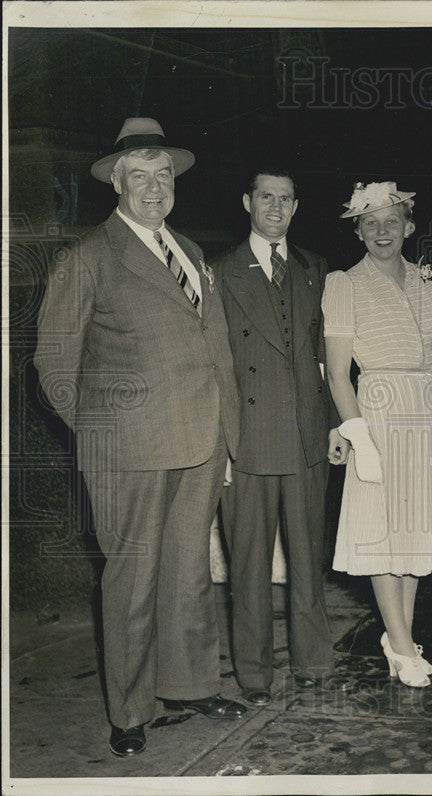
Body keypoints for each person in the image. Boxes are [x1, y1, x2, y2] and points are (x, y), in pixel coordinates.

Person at [33, 118, 246, 758]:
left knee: (189, 574)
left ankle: (188, 688)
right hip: (128, 450)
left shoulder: (191, 251)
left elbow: (215, 350)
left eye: (163, 176)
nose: (154, 188)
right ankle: (129, 711)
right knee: (131, 580)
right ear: (117, 183)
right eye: (140, 177)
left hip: (200, 442)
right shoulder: (88, 257)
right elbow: (53, 365)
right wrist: (105, 436)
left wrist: (227, 439)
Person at [214, 168, 347, 706]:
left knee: (307, 558)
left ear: (296, 207)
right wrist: (220, 441)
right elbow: (214, 365)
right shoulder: (219, 271)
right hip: (246, 441)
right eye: (265, 197)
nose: (275, 207)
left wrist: (338, 423)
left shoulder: (317, 269)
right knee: (246, 565)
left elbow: (332, 359)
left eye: (285, 199)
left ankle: (314, 660)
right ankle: (254, 675)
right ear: (247, 201)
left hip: (307, 437)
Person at [323, 182, 432, 687]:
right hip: (378, 411)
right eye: (370, 223)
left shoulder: (430, 278)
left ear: (409, 225)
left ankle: (398, 635)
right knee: (383, 530)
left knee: (415, 531)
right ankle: (401, 646)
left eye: (392, 221)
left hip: (427, 412)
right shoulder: (344, 283)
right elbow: (338, 372)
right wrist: (359, 436)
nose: (382, 231)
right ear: (358, 231)